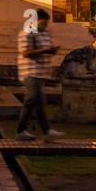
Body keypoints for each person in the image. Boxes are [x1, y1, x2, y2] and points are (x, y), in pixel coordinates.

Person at [16, 8, 64, 142]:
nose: (45, 26)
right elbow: (25, 52)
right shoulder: (27, 33)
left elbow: (45, 50)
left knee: (30, 102)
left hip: (41, 72)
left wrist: (51, 51)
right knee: (38, 100)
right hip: (30, 72)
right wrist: (47, 50)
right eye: (43, 23)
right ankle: (46, 130)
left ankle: (21, 131)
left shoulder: (43, 34)